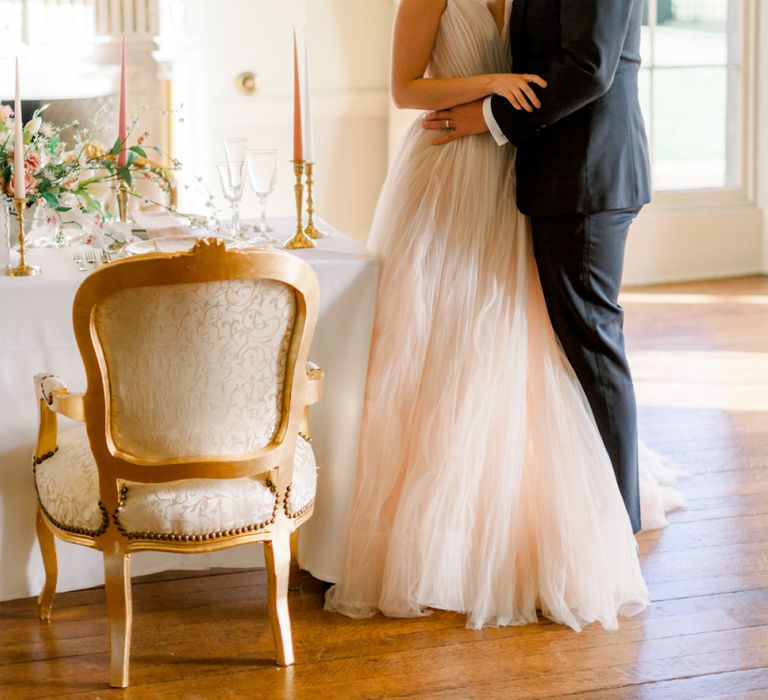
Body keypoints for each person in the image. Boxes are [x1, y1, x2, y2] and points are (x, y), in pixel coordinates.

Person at [325, 0, 682, 631]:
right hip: (476, 167)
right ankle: (455, 519)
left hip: (548, 163)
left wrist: (489, 113)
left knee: (573, 341)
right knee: (447, 339)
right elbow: (406, 86)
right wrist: (491, 87)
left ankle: (608, 521)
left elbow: (589, 69)